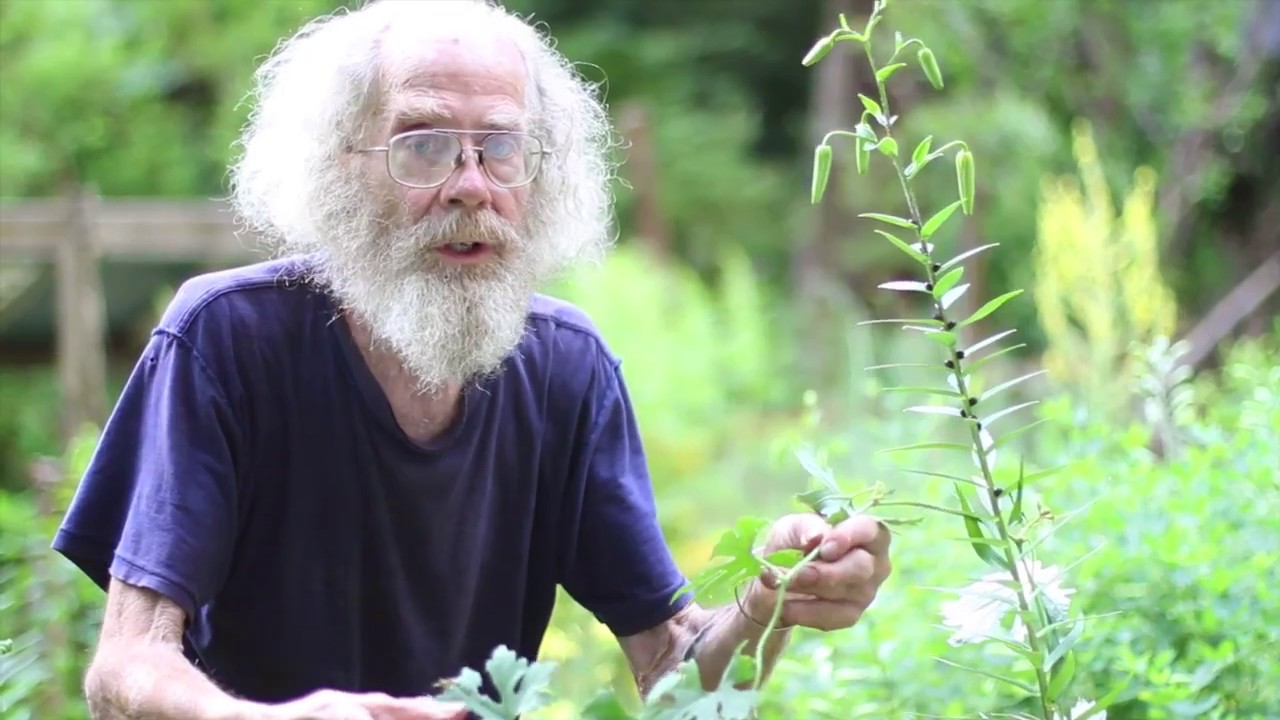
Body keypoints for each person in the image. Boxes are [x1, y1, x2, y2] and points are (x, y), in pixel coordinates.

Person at [50, 1, 893, 718]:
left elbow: (674, 673)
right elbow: (122, 669)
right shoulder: (227, 338)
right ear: (341, 166)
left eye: (501, 148)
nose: (469, 183)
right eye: (422, 144)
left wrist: (769, 600)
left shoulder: (568, 371)